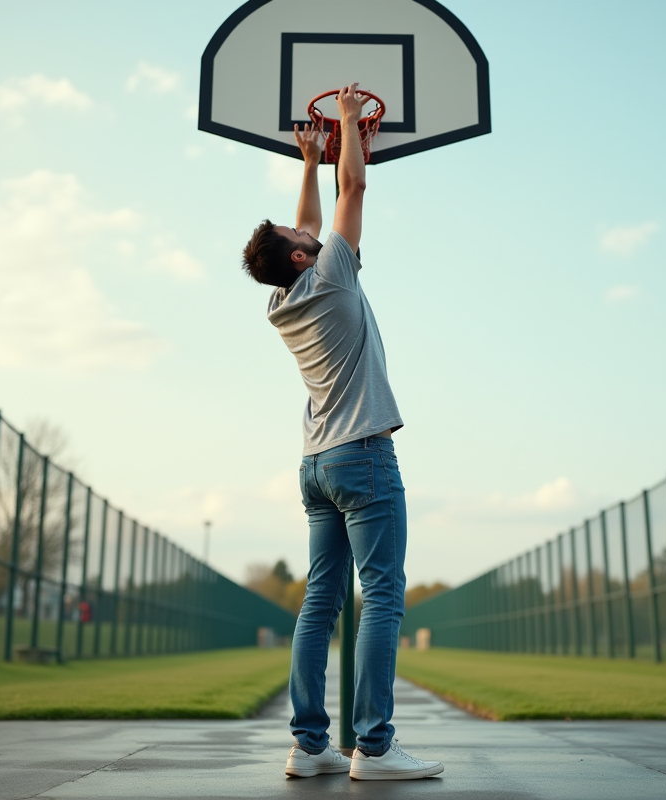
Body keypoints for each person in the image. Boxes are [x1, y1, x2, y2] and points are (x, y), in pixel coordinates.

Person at [240, 83, 443, 782]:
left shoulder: (283, 299)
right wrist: (350, 125)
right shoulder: (329, 273)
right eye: (305, 240)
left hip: (316, 464)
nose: (313, 234)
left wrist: (305, 162)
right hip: (362, 456)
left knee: (322, 601)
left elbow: (312, 218)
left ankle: (309, 744)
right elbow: (353, 186)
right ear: (303, 258)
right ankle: (375, 749)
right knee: (384, 594)